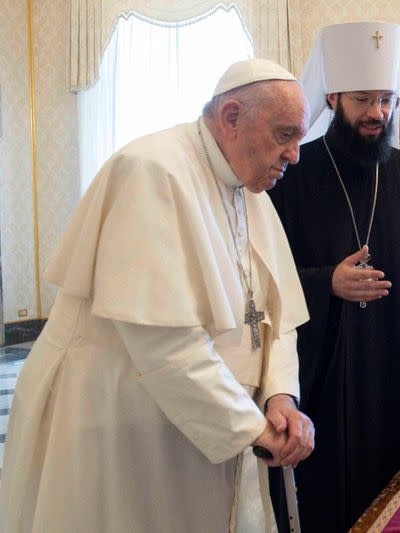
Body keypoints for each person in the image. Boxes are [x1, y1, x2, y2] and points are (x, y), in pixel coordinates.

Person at [0, 59, 315, 533]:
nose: (295, 154)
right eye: (284, 134)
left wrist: (280, 397)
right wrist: (252, 428)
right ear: (230, 117)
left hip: (218, 423)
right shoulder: (149, 172)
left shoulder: (252, 192)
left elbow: (276, 317)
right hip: (125, 424)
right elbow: (164, 347)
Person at [267, 22, 400, 533]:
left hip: (393, 370)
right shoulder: (293, 173)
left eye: (387, 99)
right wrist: (328, 282)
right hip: (321, 375)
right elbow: (264, 283)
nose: (378, 112)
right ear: (332, 95)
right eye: (363, 99)